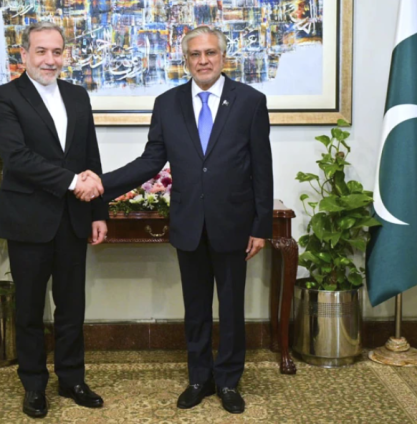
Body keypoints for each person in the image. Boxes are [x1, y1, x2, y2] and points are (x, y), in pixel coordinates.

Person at [83, 25, 273, 414]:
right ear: (184, 60)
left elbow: (262, 167)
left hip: (234, 223)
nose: (203, 61)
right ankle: (199, 378)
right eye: (195, 55)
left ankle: (230, 382)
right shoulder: (168, 103)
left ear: (223, 57)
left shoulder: (250, 100)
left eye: (210, 53)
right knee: (197, 307)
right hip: (189, 223)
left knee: (232, 307)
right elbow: (152, 160)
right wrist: (104, 183)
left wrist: (261, 225)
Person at [0, 22, 107, 419]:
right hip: (28, 221)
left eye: (57, 52)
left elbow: (90, 154)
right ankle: (34, 384)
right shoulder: (4, 97)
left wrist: (98, 212)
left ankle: (72, 379)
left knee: (72, 307)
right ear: (24, 55)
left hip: (73, 220)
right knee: (29, 310)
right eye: (41, 51)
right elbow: (17, 158)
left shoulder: (77, 95)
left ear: (65, 55)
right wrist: (74, 182)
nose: (50, 60)